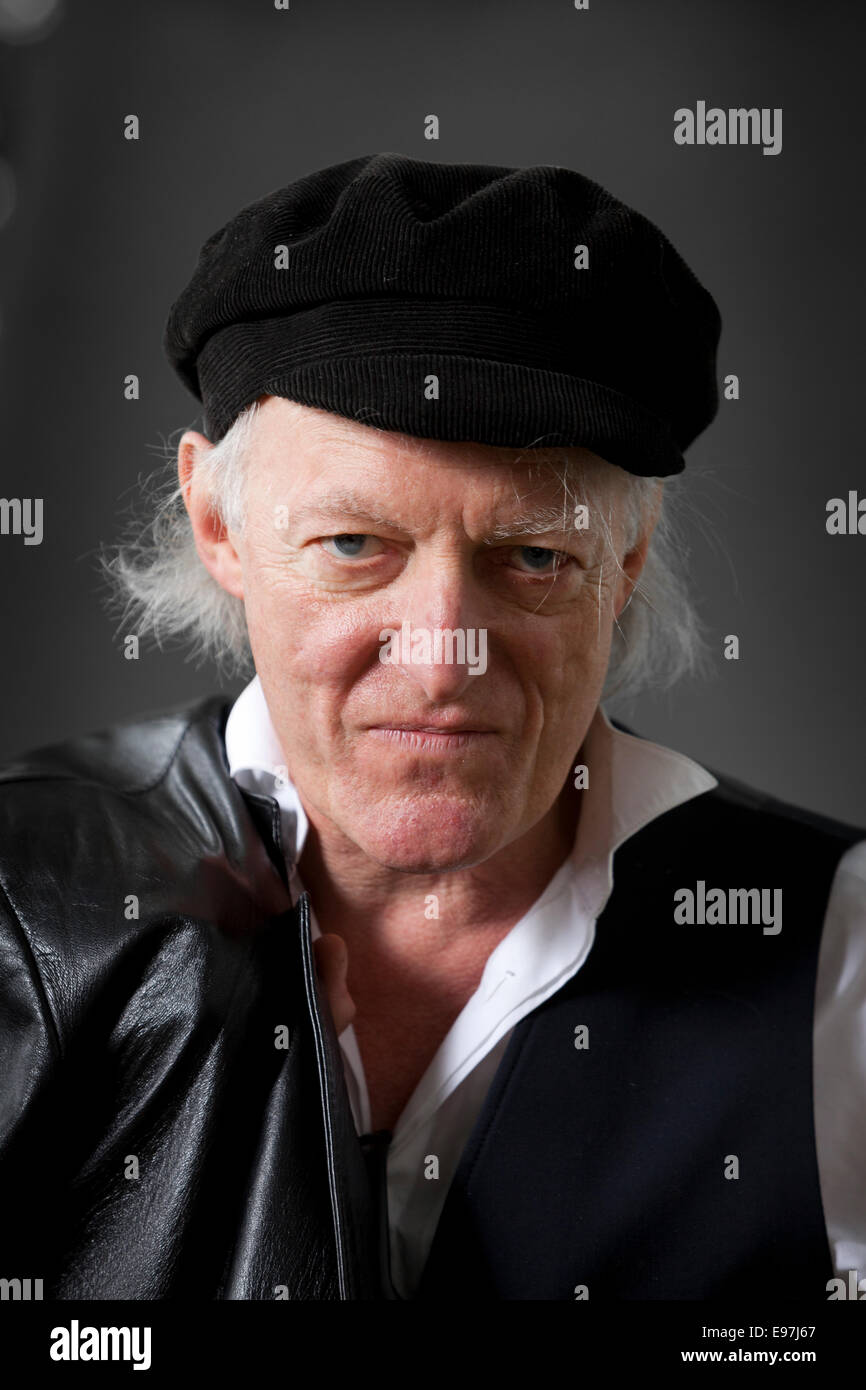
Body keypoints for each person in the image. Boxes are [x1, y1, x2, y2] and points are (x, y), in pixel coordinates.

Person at [0, 152, 863, 1302]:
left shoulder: (836, 952)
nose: (443, 649)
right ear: (218, 520)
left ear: (628, 557)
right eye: (356, 546)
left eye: (531, 556)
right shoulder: (22, 904)